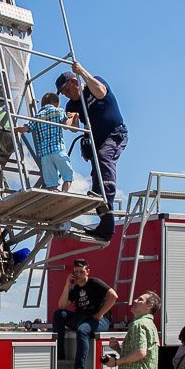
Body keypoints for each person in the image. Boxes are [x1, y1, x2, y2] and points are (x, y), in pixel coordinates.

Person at [57, 62, 125, 240]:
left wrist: (82, 72)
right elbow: (72, 129)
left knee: (104, 159)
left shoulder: (94, 83)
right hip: (97, 142)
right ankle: (106, 227)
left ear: (75, 82)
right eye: (64, 93)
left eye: (67, 90)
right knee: (96, 183)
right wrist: (70, 120)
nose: (67, 95)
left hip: (115, 134)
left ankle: (106, 197)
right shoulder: (72, 105)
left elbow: (101, 92)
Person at [53, 259, 117, 369]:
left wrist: (101, 313)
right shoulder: (75, 288)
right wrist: (67, 285)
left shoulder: (95, 283)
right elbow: (62, 305)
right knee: (58, 314)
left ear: (87, 271)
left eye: (81, 271)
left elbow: (113, 296)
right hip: (82, 317)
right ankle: (60, 354)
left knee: (82, 330)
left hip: (99, 319)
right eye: (76, 272)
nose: (78, 274)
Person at [14, 92, 73, 193]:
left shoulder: (37, 116)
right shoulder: (58, 111)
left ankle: (55, 195)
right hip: (58, 149)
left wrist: (13, 128)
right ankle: (64, 194)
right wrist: (72, 117)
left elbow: (24, 128)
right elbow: (67, 125)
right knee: (68, 176)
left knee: (51, 184)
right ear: (55, 102)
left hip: (45, 154)